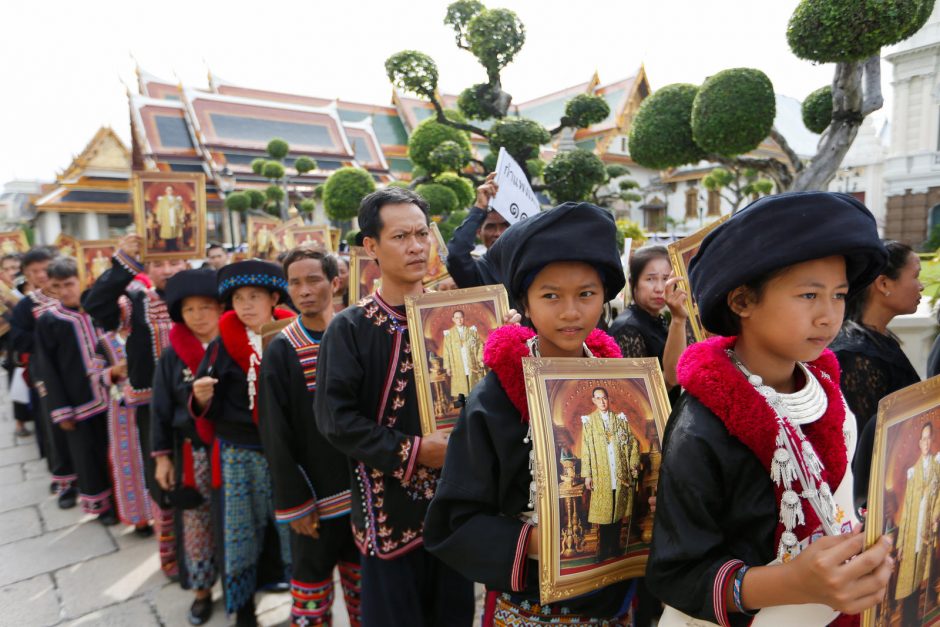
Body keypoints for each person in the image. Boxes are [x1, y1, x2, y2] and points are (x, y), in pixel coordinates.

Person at [646, 192, 894, 626]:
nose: (828, 316)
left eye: (838, 295)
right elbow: (676, 573)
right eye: (808, 295)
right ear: (742, 302)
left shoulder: (826, 392)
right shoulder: (702, 426)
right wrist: (792, 582)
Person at [425, 201, 641, 624]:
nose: (570, 312)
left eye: (586, 294)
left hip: (613, 599)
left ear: (606, 296)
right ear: (524, 300)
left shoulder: (624, 388)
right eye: (551, 296)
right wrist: (542, 540)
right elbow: (455, 520)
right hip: (531, 605)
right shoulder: (496, 397)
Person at [315, 187, 475, 627]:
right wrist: (415, 451)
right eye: (401, 236)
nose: (417, 247)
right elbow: (336, 421)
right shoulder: (350, 327)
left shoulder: (457, 317)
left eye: (422, 234)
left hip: (455, 511)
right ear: (371, 246)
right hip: (389, 516)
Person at [260, 248, 361, 627]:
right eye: (295, 282)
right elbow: (274, 431)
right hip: (313, 501)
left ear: (335, 283)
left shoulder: (356, 336)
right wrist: (294, 502)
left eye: (313, 280)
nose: (303, 290)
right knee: (311, 598)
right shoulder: (282, 349)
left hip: (362, 496)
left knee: (366, 592)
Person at [191, 260, 294, 626]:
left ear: (274, 298)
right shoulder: (220, 347)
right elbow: (205, 399)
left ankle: (304, 601)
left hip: (285, 451)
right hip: (239, 452)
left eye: (255, 296)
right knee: (239, 534)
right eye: (238, 298)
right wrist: (201, 397)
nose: (246, 305)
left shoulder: (293, 335)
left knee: (292, 529)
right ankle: (244, 609)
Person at [84, 233, 188, 579]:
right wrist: (123, 262)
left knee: (197, 479)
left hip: (198, 404)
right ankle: (172, 558)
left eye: (175, 261)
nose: (168, 269)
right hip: (151, 409)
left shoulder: (202, 298)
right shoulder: (136, 301)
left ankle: (203, 557)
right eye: (158, 263)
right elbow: (97, 305)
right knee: (162, 483)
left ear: (188, 261)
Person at [151, 268, 222, 625]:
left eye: (206, 307)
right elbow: (160, 409)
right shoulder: (172, 355)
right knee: (196, 523)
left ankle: (244, 582)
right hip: (192, 453)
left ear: (220, 308)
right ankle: (201, 591)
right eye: (190, 309)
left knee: (238, 522)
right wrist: (162, 457)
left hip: (234, 450)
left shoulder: (236, 343)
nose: (198, 316)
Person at [829, 241, 923, 511]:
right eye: (915, 276)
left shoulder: (879, 341)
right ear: (883, 284)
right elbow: (864, 449)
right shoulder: (855, 355)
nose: (921, 286)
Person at [34, 257, 116, 524]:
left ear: (83, 279)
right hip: (78, 401)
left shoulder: (100, 311)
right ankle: (100, 504)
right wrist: (61, 409)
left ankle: (121, 501)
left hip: (112, 395)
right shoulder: (50, 321)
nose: (65, 291)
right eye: (58, 286)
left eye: (70, 283)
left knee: (115, 450)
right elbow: (48, 368)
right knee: (87, 454)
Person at [10, 247, 77, 507]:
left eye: (43, 268)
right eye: (33, 271)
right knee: (54, 425)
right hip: (45, 373)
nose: (40, 275)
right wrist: (49, 336)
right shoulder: (28, 305)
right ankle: (64, 482)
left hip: (78, 371)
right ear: (26, 275)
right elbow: (18, 339)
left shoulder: (72, 297)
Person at [95, 327, 153, 535]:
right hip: (123, 412)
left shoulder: (149, 333)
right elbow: (94, 376)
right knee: (128, 461)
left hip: (152, 405)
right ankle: (139, 519)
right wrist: (113, 372)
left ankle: (161, 515)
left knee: (156, 458)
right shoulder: (104, 342)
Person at [609, 246, 689, 392]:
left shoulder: (659, 319)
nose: (659, 288)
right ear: (634, 283)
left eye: (666, 279)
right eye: (650, 279)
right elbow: (638, 392)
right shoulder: (627, 329)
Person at [581, 386, 641, 562]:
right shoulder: (589, 422)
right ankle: (604, 549)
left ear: (608, 399)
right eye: (598, 398)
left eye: (604, 398)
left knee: (617, 512)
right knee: (605, 514)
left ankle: (615, 548)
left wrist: (633, 465)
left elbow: (633, 444)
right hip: (601, 474)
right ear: (593, 401)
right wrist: (588, 475)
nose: (602, 401)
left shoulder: (620, 420)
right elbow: (586, 450)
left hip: (620, 473)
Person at [893, 421, 940, 625]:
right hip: (913, 529)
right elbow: (906, 512)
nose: (926, 442)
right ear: (919, 442)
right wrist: (901, 544)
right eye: (923, 438)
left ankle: (918, 618)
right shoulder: (913, 471)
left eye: (929, 438)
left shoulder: (938, 466)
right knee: (909, 580)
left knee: (923, 576)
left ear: (932, 440)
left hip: (928, 530)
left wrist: (937, 515)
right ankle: (908, 620)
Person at [445, 172, 509, 289]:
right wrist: (479, 207)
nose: (498, 233)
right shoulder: (479, 272)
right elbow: (456, 254)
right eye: (491, 227)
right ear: (479, 232)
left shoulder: (531, 266)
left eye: (505, 226)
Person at [440, 310, 484, 401]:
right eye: (457, 318)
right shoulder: (449, 334)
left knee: (473, 383)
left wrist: (480, 358)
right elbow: (446, 351)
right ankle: (464, 404)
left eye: (461, 317)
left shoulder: (472, 331)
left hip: (471, 362)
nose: (459, 320)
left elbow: (480, 345)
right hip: (457, 364)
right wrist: (447, 367)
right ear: (453, 319)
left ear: (463, 318)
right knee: (461, 387)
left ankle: (474, 402)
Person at [156, 185, 185, 251]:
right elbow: (159, 209)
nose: (169, 191)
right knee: (167, 232)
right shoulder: (162, 200)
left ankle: (174, 246)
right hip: (166, 219)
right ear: (165, 191)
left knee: (174, 232)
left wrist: (181, 217)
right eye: (168, 190)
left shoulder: (177, 200)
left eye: (171, 190)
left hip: (175, 218)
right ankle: (167, 247)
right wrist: (159, 218)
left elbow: (181, 209)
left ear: (173, 191)